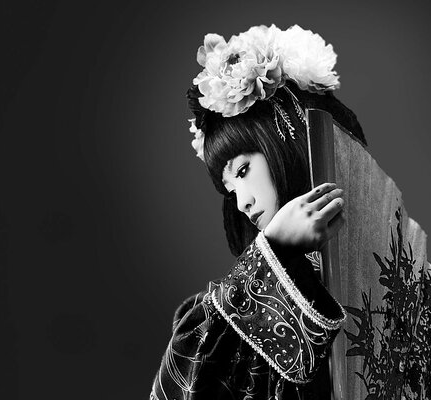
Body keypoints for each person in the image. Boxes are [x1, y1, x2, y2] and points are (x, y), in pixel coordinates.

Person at [150, 24, 368, 400]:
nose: (242, 202)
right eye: (230, 189)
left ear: (285, 140)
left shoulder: (373, 264)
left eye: (244, 171)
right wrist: (277, 247)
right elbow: (180, 383)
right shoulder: (222, 317)